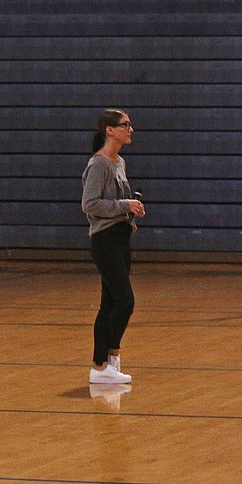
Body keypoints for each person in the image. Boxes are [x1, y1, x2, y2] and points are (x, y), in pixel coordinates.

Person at [81, 109, 145, 385]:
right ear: (109, 130)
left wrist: (132, 209)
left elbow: (117, 201)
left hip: (120, 238)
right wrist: (123, 205)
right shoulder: (99, 164)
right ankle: (105, 361)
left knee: (109, 303)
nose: (130, 129)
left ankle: (104, 364)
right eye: (125, 125)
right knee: (125, 301)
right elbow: (90, 204)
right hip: (105, 240)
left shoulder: (119, 163)